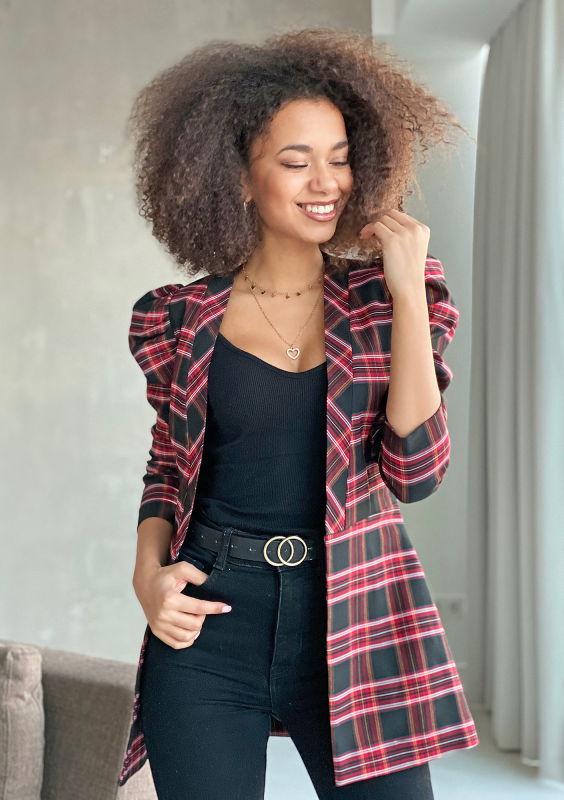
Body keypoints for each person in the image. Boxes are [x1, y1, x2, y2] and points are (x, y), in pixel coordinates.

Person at [120, 28, 477, 800]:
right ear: (238, 178)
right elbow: (168, 467)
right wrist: (148, 577)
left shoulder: (386, 302)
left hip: (354, 608)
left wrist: (407, 293)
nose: (326, 182)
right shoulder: (176, 319)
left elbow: (416, 474)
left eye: (340, 157)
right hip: (210, 624)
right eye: (296, 160)